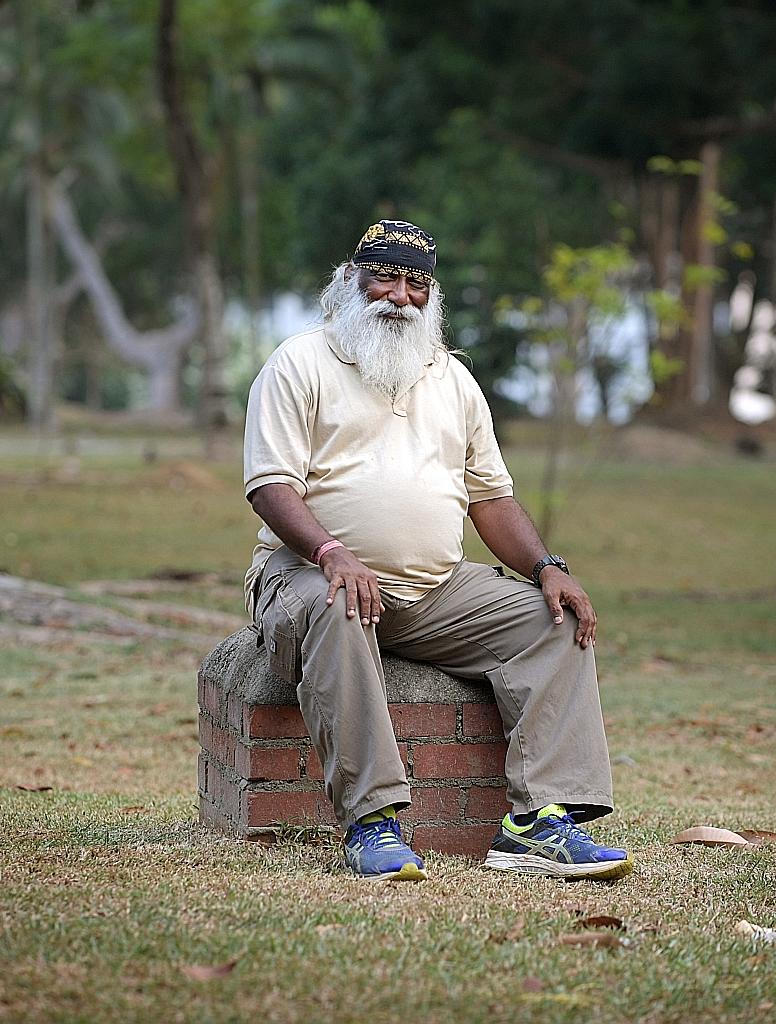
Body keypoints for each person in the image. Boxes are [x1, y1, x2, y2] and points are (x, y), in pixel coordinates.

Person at [242, 220, 629, 882]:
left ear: (432, 296)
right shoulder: (299, 362)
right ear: (349, 281)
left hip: (432, 590)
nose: (398, 295)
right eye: (384, 277)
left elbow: (492, 501)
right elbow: (270, 485)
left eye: (416, 283)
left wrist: (546, 568)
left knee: (554, 622)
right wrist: (332, 550)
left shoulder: (452, 379)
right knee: (338, 603)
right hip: (309, 576)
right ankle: (373, 824)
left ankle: (536, 826)